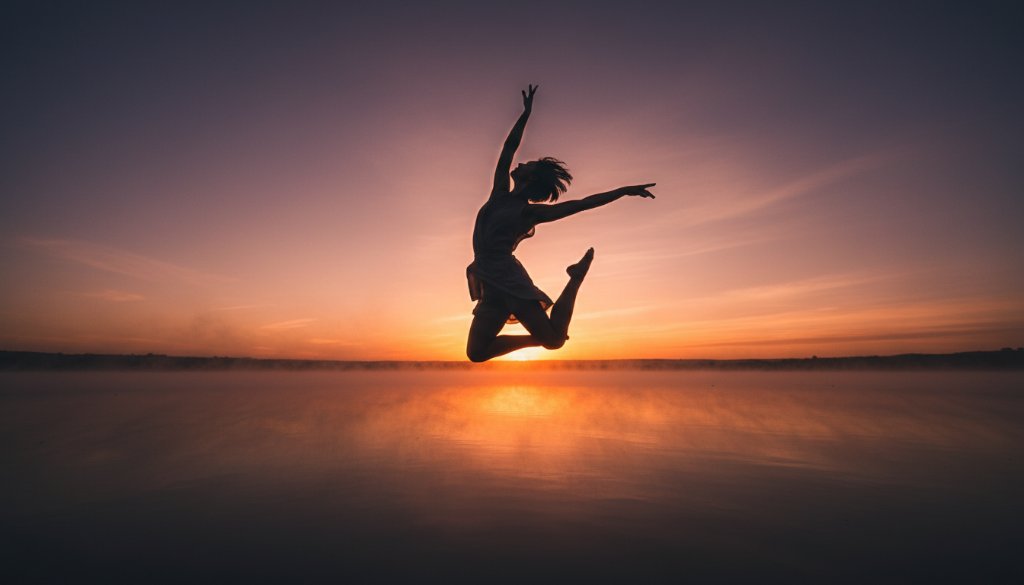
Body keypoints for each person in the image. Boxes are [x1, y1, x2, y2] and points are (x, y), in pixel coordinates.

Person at [466, 85, 655, 362]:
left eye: (527, 165)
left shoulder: (529, 213)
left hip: (506, 277)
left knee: (554, 340)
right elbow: (507, 149)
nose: (520, 164)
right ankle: (537, 338)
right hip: (486, 276)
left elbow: (581, 204)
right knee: (477, 353)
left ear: (530, 179)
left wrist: (623, 190)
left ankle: (575, 277)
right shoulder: (499, 193)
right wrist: (526, 113)